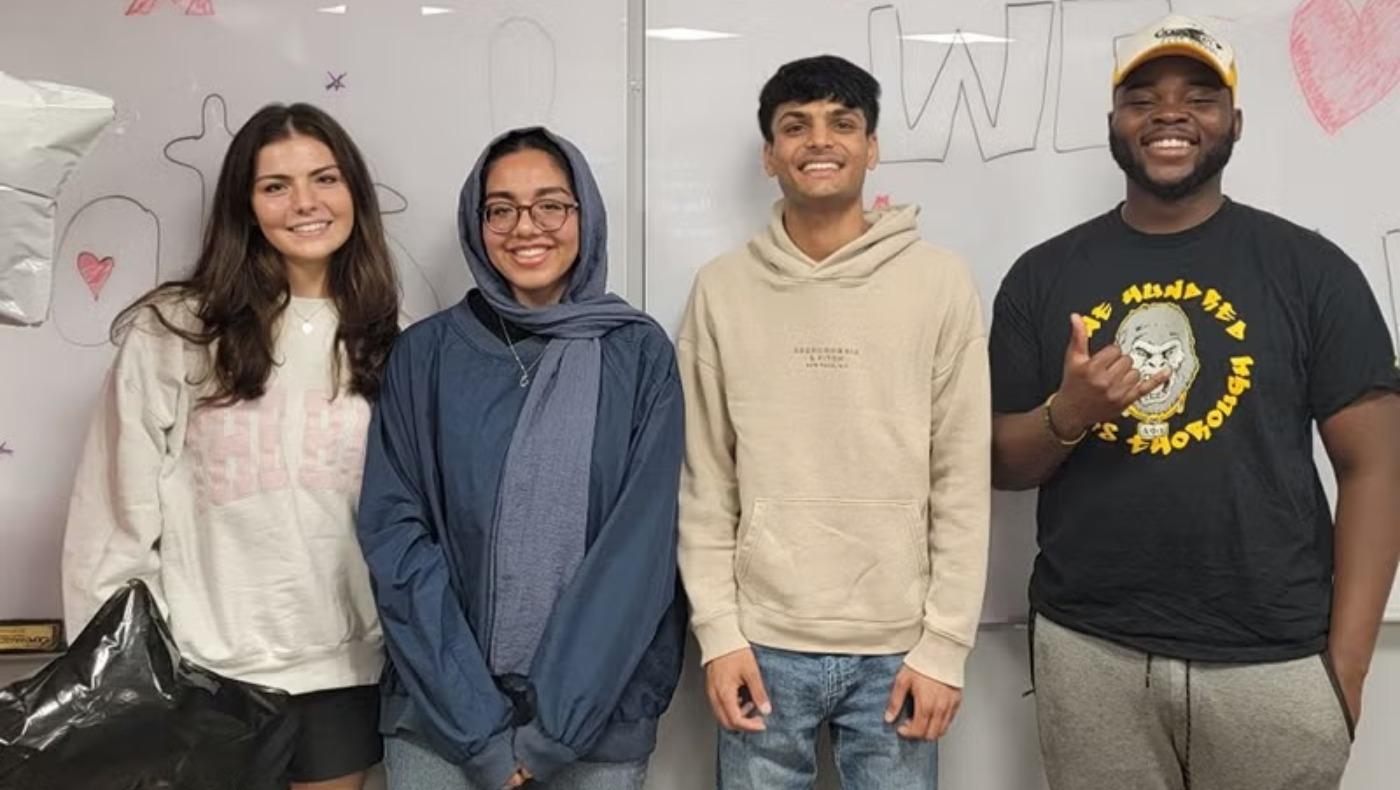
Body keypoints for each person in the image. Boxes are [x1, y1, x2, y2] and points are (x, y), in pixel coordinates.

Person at [988, 14, 1400, 790]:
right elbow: (1000, 460)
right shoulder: (1042, 276)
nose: (1169, 113)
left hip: (1274, 658)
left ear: (1234, 123)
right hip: (1090, 651)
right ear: (1114, 124)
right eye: (1142, 97)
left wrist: (1344, 671)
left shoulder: (1311, 270)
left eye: (1199, 98)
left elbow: (1377, 467)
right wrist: (1068, 414)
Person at [62, 102, 401, 790]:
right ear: (244, 206)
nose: (305, 202)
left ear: (354, 195)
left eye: (324, 179)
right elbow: (113, 514)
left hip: (344, 668)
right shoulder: (175, 331)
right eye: (275, 185)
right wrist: (119, 673)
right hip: (200, 674)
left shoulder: (393, 338)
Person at [677, 54, 991, 789]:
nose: (819, 141)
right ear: (769, 155)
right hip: (761, 643)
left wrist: (944, 646)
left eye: (841, 123)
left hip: (901, 648)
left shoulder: (939, 282)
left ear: (871, 146)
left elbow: (962, 480)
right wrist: (718, 636)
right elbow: (705, 483)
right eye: (796, 126)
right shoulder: (721, 291)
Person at [356, 127, 686, 790]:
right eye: (500, 208)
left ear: (584, 215)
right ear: (476, 224)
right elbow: (398, 542)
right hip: (440, 723)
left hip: (596, 724)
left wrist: (553, 734)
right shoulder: (425, 356)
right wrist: (477, 727)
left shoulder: (639, 354)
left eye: (550, 205)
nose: (524, 227)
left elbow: (639, 554)